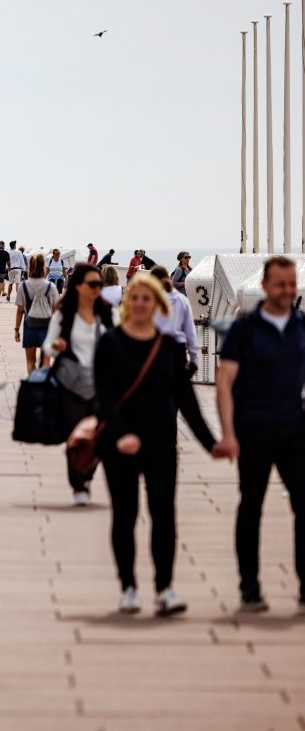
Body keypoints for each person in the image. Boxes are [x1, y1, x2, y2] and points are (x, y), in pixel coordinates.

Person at [93, 273, 219, 616]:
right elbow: (102, 397)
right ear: (126, 302)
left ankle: (164, 588)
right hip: (119, 444)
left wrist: (212, 444)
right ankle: (129, 588)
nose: (139, 304)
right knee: (125, 514)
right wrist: (120, 434)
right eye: (135, 297)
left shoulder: (169, 348)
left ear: (158, 305)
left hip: (161, 443)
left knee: (164, 515)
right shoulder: (110, 343)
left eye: (147, 299)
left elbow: (186, 400)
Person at [215, 256, 305, 614]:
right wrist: (228, 433)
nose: (287, 290)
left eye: (292, 284)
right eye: (280, 284)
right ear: (265, 286)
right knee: (251, 506)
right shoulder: (245, 329)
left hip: (295, 429)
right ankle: (249, 587)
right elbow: (225, 383)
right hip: (253, 430)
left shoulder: (301, 326)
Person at [42, 264, 113, 506]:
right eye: (92, 284)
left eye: (99, 285)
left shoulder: (106, 314)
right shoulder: (64, 315)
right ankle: (78, 484)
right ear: (79, 286)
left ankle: (87, 474)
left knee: (101, 436)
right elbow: (48, 345)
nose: (97, 289)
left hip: (101, 384)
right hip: (71, 384)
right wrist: (57, 347)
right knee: (76, 437)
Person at [150, 266, 199, 374]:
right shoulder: (182, 299)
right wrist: (194, 359)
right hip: (178, 348)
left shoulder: (150, 299)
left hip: (154, 347)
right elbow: (190, 331)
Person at [14, 253, 56, 374]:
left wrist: (16, 329)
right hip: (47, 326)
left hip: (30, 325)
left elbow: (20, 309)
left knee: (30, 361)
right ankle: (43, 386)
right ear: (43, 267)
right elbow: (56, 310)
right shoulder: (50, 286)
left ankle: (33, 386)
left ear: (30, 267)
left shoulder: (23, 286)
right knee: (46, 361)